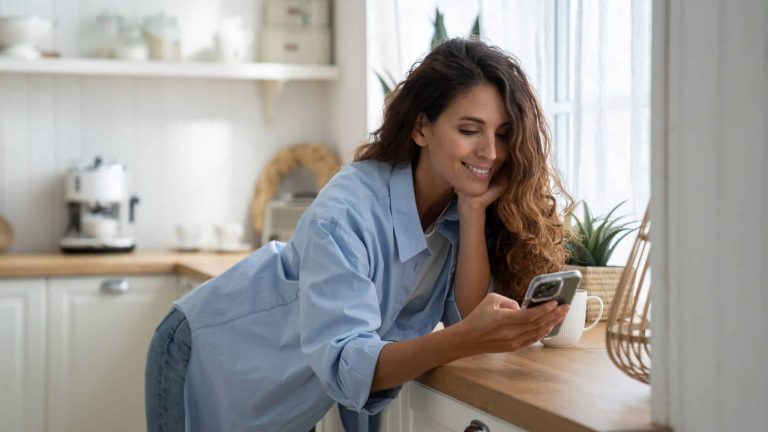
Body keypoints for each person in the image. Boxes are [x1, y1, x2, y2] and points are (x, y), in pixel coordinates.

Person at [145, 38, 573, 432]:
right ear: (421, 128)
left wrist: (474, 210)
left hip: (293, 390)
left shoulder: (457, 207)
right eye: (469, 130)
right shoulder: (347, 210)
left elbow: (468, 314)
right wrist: (461, 338)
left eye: (502, 134)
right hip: (214, 356)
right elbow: (351, 360)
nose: (491, 153)